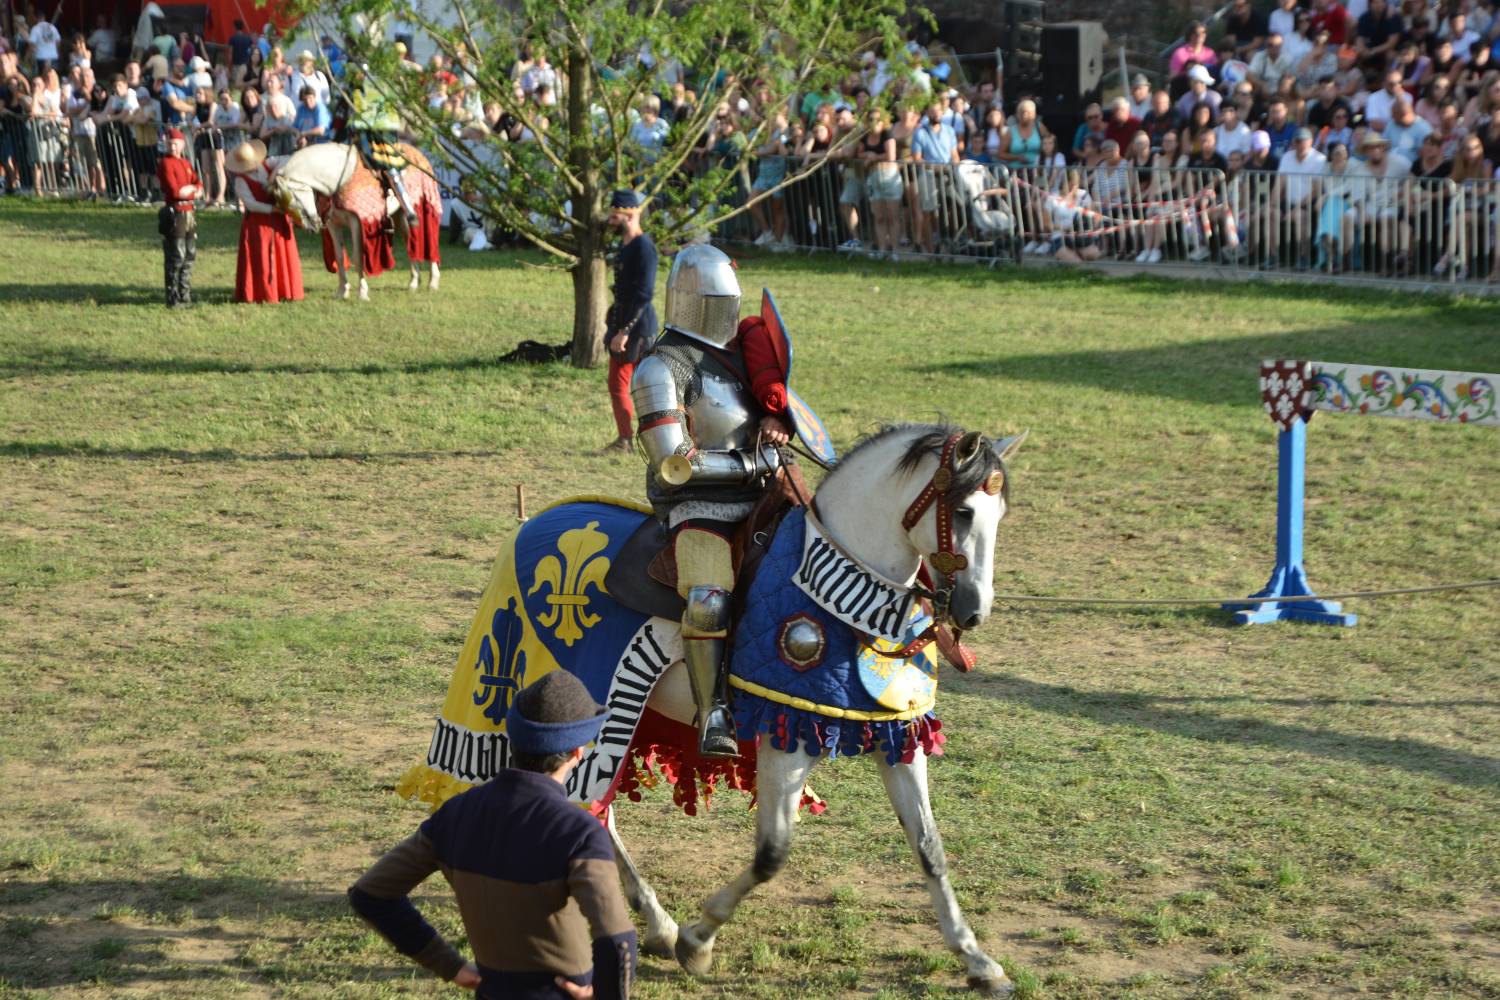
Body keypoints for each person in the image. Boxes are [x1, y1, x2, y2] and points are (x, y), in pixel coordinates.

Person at [349, 669, 637, 1000]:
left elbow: (370, 894)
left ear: (513, 741)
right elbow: (617, 941)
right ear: (576, 754)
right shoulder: (579, 832)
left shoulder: (454, 815)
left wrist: (451, 967)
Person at [628, 246, 793, 757]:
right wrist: (754, 464)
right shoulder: (659, 368)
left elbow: (776, 407)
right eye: (712, 301)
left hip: (764, 493)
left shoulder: (745, 355)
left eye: (729, 301)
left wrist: (777, 423)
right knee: (708, 598)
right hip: (698, 505)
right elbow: (674, 462)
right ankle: (713, 710)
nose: (722, 311)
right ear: (689, 301)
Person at [597, 191, 659, 455]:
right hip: (623, 323)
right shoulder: (625, 243)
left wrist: (624, 332)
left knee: (641, 387)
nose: (610, 221)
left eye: (614, 216)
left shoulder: (644, 247)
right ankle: (625, 439)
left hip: (638, 328)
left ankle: (635, 441)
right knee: (617, 383)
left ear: (631, 215)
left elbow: (644, 293)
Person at [228, 139, 302, 303]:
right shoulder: (241, 180)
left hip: (280, 221)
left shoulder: (268, 164)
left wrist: (275, 173)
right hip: (258, 224)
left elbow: (290, 158)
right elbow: (251, 204)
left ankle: (285, 291)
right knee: (262, 258)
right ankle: (263, 293)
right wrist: (273, 209)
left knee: (283, 255)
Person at [157, 127, 202, 308]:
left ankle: (185, 295)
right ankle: (173, 298)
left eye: (174, 143)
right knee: (176, 257)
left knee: (189, 255)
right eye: (168, 143)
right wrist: (195, 191)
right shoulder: (166, 163)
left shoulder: (185, 162)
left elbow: (198, 185)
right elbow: (175, 192)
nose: (171, 146)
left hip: (189, 212)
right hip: (175, 213)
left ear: (182, 144)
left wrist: (191, 189)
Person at [911, 100, 959, 254]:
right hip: (928, 175)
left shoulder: (949, 130)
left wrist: (955, 168)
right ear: (926, 112)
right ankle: (931, 249)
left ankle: (947, 246)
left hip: (947, 175)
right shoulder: (919, 132)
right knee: (929, 211)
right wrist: (934, 167)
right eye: (933, 110)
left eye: (939, 110)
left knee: (951, 208)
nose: (937, 113)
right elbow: (917, 158)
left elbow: (954, 155)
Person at [229, 20, 254, 85]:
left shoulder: (233, 38)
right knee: (244, 81)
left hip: (236, 63)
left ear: (235, 27)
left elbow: (230, 52)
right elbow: (253, 48)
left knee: (236, 82)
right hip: (246, 63)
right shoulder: (247, 38)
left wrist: (228, 63)